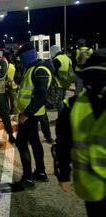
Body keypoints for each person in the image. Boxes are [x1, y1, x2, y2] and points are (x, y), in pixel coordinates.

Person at [53, 49, 106, 217]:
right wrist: (63, 173)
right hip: (90, 185)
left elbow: (62, 143)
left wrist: (63, 174)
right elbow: (63, 144)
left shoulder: (73, 106)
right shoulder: (72, 106)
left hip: (88, 184)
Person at [12, 43, 53, 190]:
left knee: (21, 142)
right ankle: (41, 172)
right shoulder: (31, 68)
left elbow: (40, 96)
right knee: (35, 141)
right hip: (31, 114)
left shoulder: (40, 69)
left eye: (22, 57)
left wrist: (26, 115)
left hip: (31, 115)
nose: (20, 60)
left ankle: (28, 178)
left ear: (27, 56)